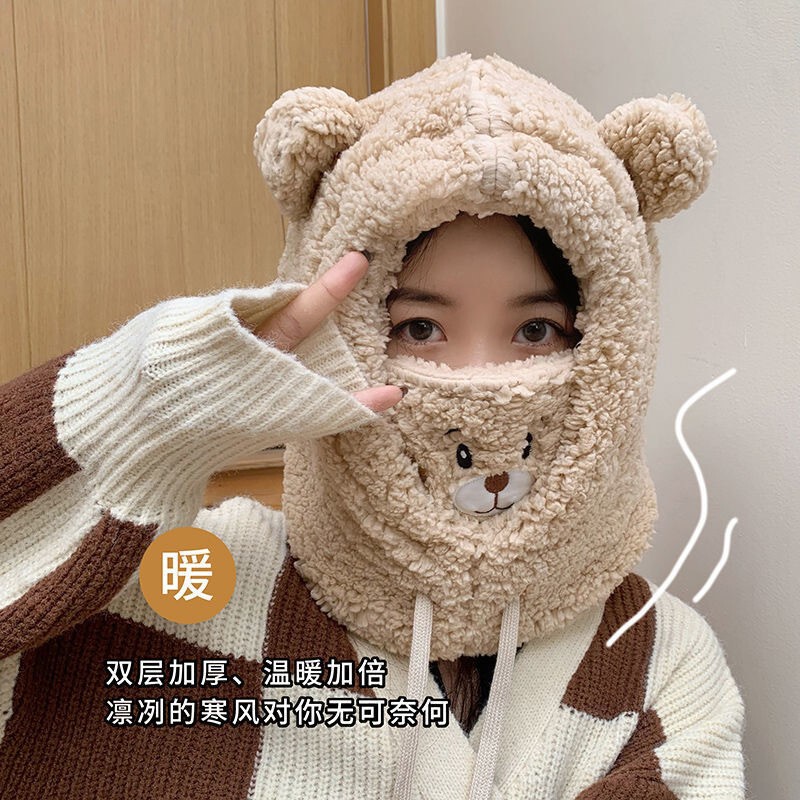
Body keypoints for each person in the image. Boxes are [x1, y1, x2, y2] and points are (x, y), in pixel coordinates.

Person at [0, 54, 744, 799]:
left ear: (616, 347)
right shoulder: (184, 582)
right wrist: (151, 406)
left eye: (536, 331)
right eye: (419, 328)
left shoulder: (661, 664)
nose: (480, 382)